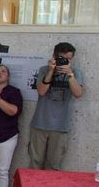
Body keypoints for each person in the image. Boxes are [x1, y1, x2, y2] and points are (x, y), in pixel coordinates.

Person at [29, 42, 85, 170]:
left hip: (60, 126)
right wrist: (51, 71)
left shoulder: (76, 73)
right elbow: (42, 91)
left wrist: (70, 75)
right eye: (61, 59)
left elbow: (78, 93)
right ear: (54, 56)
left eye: (68, 59)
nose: (64, 62)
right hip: (40, 124)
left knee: (53, 166)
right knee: (34, 164)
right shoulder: (44, 70)